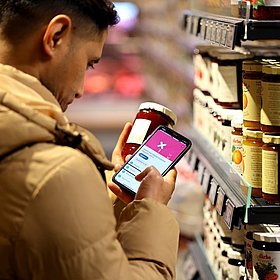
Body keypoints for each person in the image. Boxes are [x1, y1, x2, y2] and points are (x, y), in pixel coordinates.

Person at [0, 1, 180, 279]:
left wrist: (105, 199)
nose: (81, 89)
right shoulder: (56, 173)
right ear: (56, 36)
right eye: (89, 63)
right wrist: (150, 209)